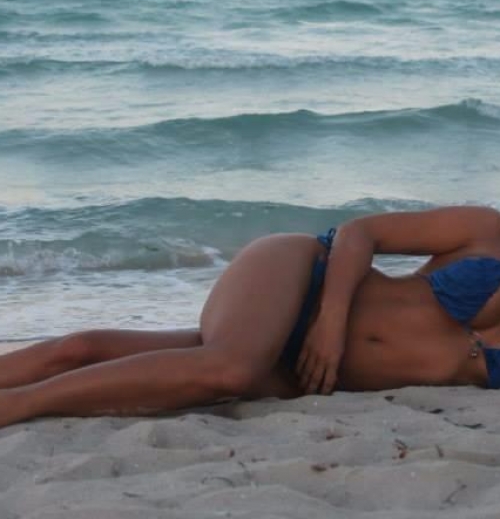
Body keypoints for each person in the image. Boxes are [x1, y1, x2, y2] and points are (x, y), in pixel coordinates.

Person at [1, 205, 500, 428]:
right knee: (230, 367)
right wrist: (330, 322)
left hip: (295, 372)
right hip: (300, 279)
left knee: (83, 352)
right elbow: (360, 232)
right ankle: (17, 405)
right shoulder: (486, 230)